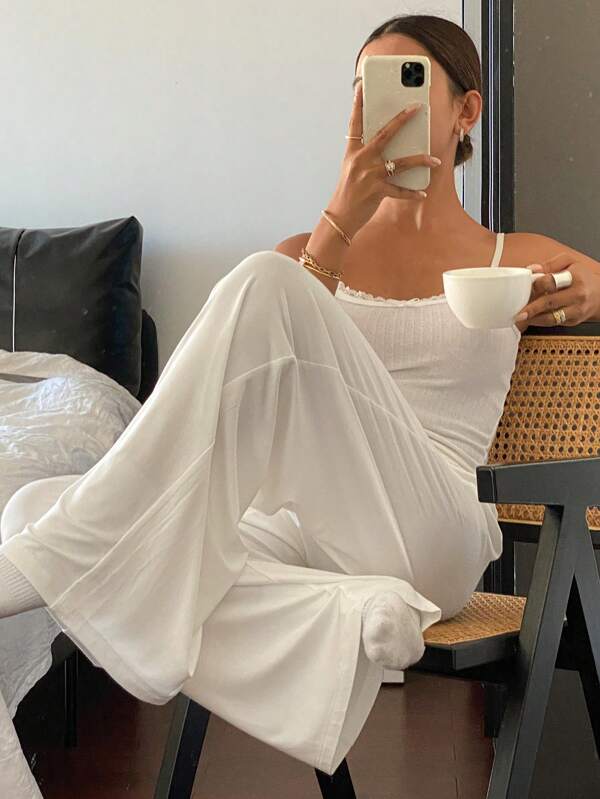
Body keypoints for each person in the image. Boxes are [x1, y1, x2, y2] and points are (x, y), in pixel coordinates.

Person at [2, 12, 600, 794]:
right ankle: (347, 614)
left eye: (406, 85)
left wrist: (596, 285)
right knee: (33, 505)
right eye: (364, 90)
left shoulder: (513, 260)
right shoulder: (309, 259)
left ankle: (46, 562)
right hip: (313, 536)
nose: (381, 109)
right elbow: (275, 374)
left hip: (436, 529)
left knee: (261, 284)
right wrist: (340, 220)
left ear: (466, 111)